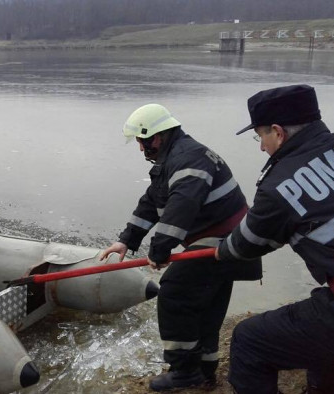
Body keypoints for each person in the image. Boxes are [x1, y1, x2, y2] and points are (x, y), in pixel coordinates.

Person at [100, 104, 262, 391]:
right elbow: (153, 201)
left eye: (142, 141)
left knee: (175, 293)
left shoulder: (188, 160)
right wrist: (126, 240)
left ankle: (185, 371)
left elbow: (180, 210)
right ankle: (205, 370)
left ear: (158, 136)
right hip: (226, 239)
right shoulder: (175, 157)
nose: (141, 149)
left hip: (223, 241)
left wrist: (159, 250)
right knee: (207, 308)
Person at [216, 84, 334, 393]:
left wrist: (221, 251)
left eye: (260, 136)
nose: (261, 147)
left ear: (278, 132)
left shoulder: (280, 186)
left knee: (249, 341)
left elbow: (245, 245)